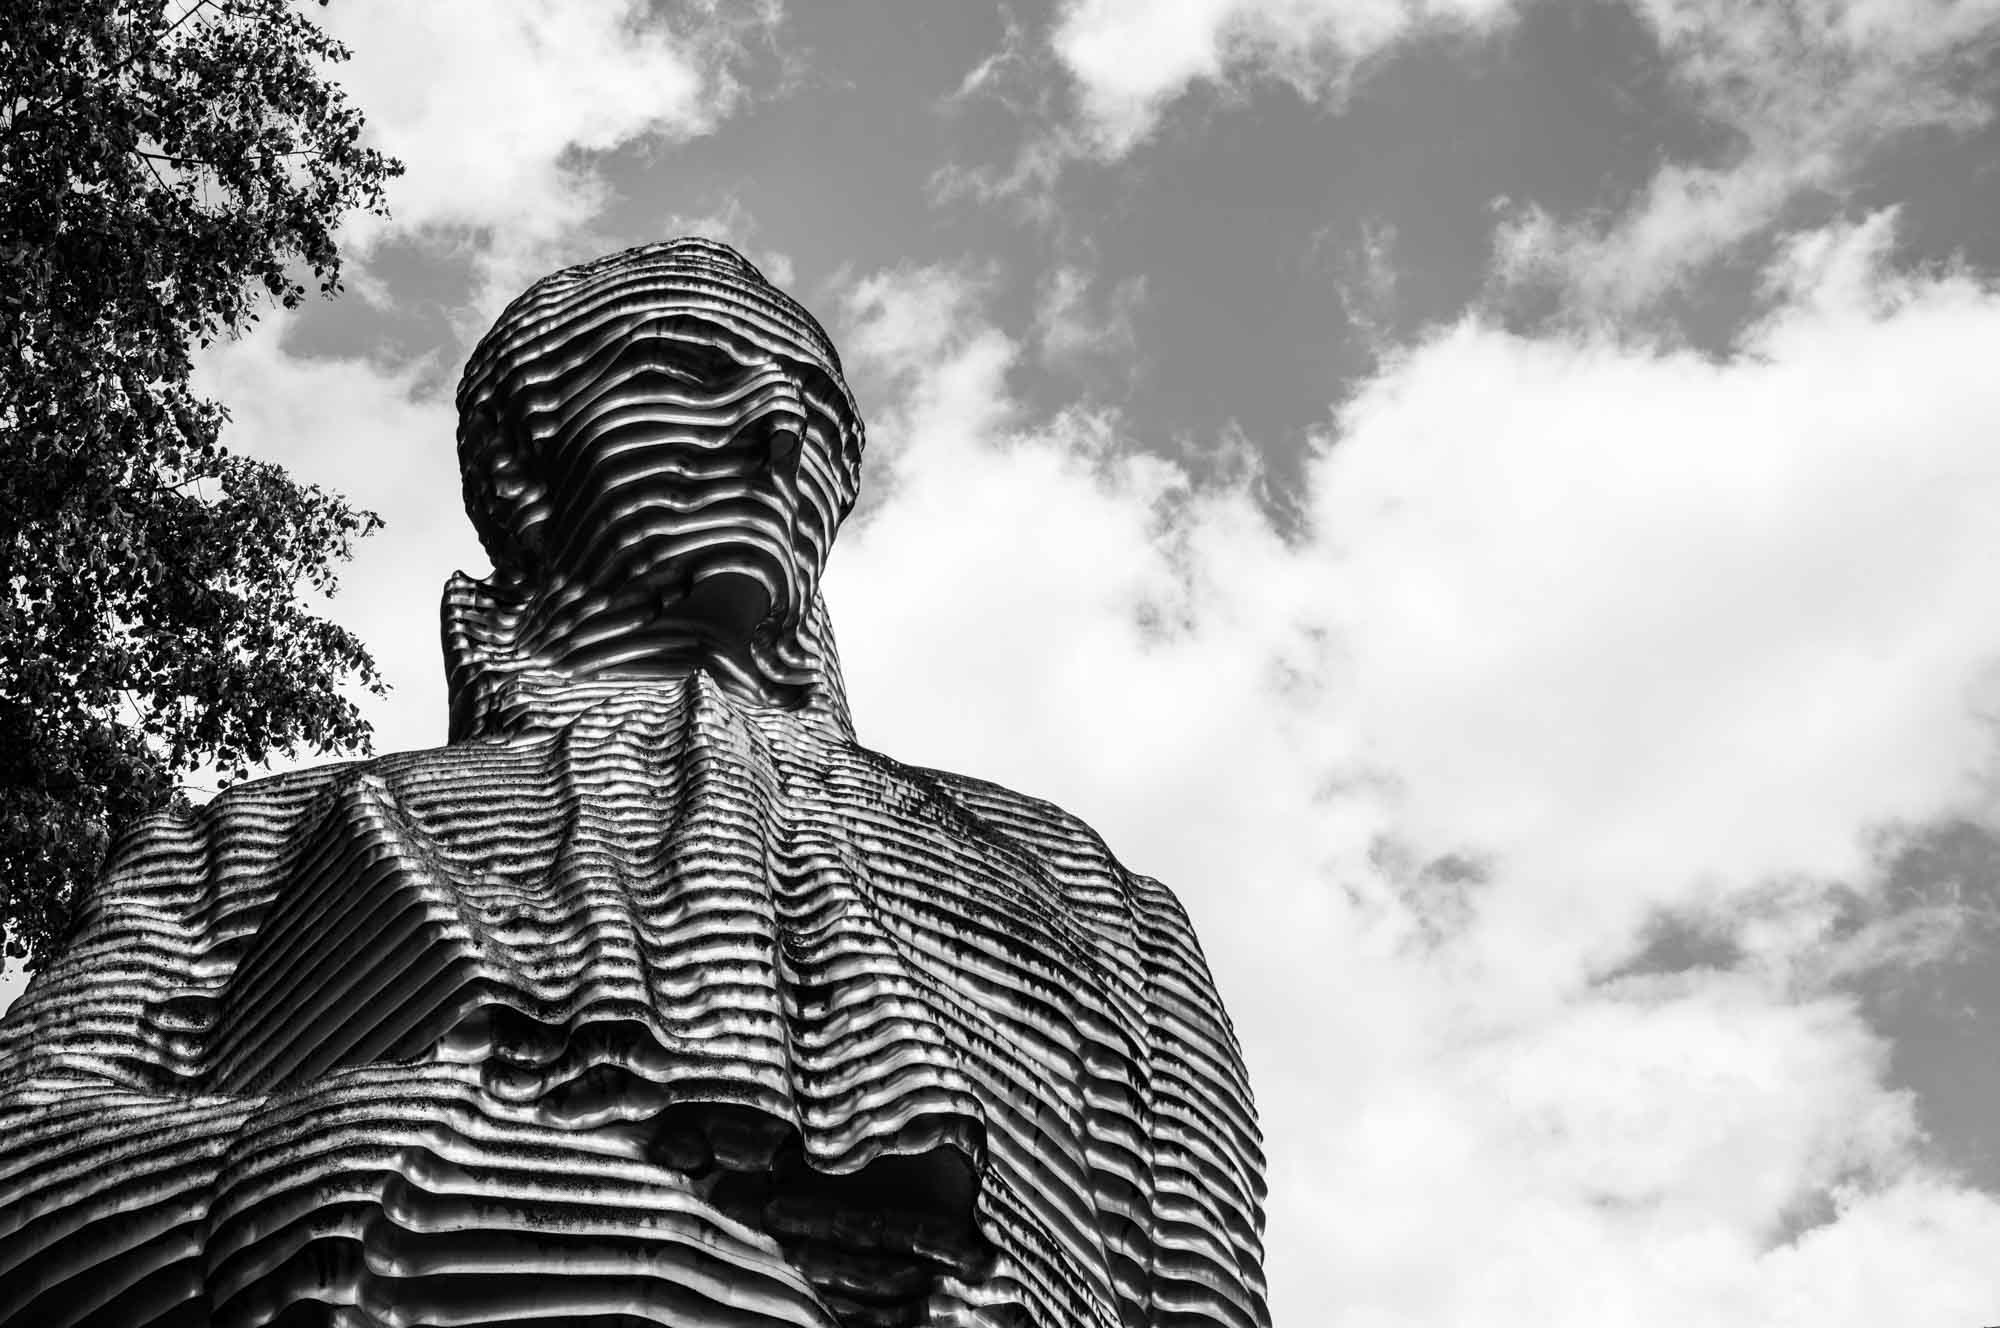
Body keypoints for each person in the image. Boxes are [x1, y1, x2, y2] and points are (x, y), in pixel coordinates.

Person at [0, 239, 1269, 1328]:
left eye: (820, 419)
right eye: (684, 369)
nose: (779, 434)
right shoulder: (253, 839)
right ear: (518, 467)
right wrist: (331, 1181)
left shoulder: (1095, 893)